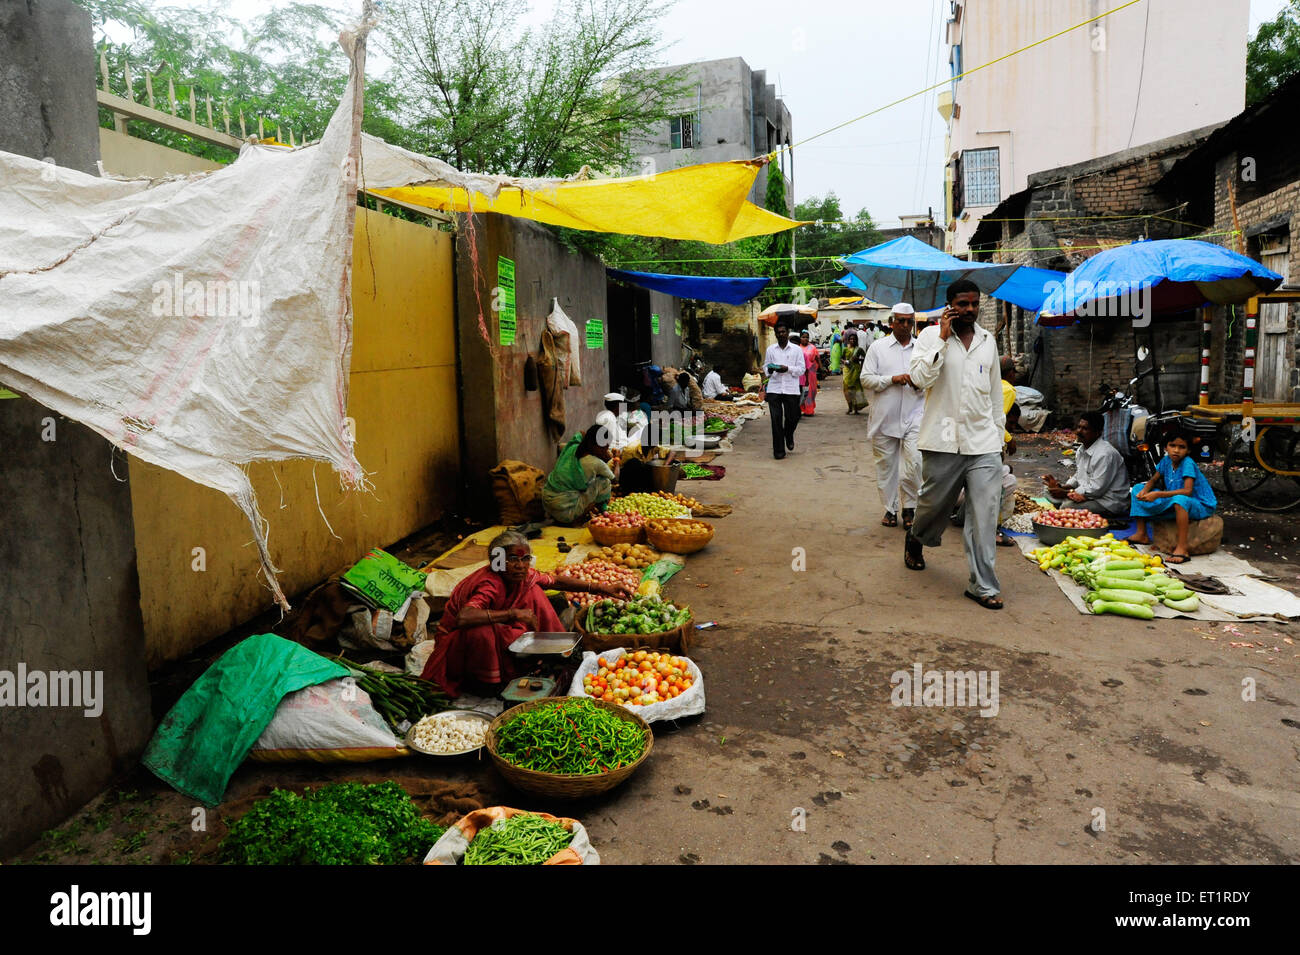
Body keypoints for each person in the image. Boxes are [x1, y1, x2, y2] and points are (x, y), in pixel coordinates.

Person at [420, 530, 628, 697]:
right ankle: (488, 684)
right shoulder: (489, 583)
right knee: (482, 632)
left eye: (525, 559)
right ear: (498, 562)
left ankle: (549, 654)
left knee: (534, 590)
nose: (520, 566)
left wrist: (600, 588)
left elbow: (556, 581)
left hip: (502, 627)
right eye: (512, 559)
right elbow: (464, 617)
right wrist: (514, 614)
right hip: (460, 643)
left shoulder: (525, 575)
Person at [905, 278, 1007, 610]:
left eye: (975, 304)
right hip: (942, 441)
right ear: (949, 305)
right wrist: (943, 340)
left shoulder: (988, 340)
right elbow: (920, 380)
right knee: (933, 505)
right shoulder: (930, 337)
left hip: (983, 444)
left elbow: (994, 394)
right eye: (963, 304)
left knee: (984, 515)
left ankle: (983, 585)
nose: (970, 310)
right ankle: (916, 536)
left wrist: (999, 435)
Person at [863, 303, 924, 528]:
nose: (906, 325)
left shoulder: (921, 348)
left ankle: (910, 508)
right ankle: (890, 508)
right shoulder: (877, 348)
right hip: (884, 417)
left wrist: (919, 384)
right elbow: (866, 379)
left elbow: (931, 379)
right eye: (901, 320)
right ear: (891, 322)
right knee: (886, 466)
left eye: (910, 321)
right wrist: (891, 379)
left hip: (915, 415)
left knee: (915, 463)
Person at [1127, 433, 1217, 564]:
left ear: (1188, 450)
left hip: (1199, 504)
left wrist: (1158, 495)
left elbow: (1187, 491)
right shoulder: (1165, 461)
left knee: (1180, 499)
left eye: (1181, 447)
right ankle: (1141, 534)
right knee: (1137, 488)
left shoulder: (1188, 463)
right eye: (1172, 446)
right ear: (1165, 448)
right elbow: (1153, 480)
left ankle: (1182, 548)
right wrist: (1145, 491)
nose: (1176, 450)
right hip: (1175, 498)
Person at [1043, 411, 1130, 520]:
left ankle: (1075, 509)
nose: (1079, 431)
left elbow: (1097, 489)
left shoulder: (1105, 454)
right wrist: (1062, 487)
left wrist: (1066, 493)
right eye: (1079, 427)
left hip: (1107, 502)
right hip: (1089, 495)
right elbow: (1079, 475)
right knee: (1047, 491)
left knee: (1067, 506)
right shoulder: (1081, 449)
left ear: (1097, 432)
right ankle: (1071, 507)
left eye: (1085, 429)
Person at [540, 424, 617, 525]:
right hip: (564, 511)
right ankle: (601, 513)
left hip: (547, 502)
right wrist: (617, 463)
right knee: (604, 482)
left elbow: (580, 433)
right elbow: (615, 479)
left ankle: (562, 515)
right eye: (604, 447)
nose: (606, 451)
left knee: (588, 481)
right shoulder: (595, 463)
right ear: (593, 445)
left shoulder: (574, 446)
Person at [763, 321, 805, 459]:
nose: (781, 334)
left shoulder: (796, 350)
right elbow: (766, 367)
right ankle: (779, 451)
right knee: (776, 420)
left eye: (783, 332)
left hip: (791, 388)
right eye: (778, 332)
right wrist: (770, 369)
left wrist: (787, 369)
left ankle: (788, 434)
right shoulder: (770, 349)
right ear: (775, 334)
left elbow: (801, 370)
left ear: (788, 332)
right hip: (774, 388)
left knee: (793, 417)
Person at [841, 330, 869, 414]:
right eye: (851, 339)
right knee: (847, 390)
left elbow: (867, 358)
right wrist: (845, 362)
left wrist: (859, 360)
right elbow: (841, 359)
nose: (852, 341)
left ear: (856, 340)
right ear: (848, 340)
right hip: (847, 371)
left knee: (855, 389)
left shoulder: (859, 349)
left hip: (856, 371)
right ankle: (850, 407)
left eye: (854, 339)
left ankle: (856, 409)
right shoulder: (845, 349)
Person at [798, 329, 820, 416]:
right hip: (801, 374)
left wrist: (821, 369)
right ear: (800, 338)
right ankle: (801, 408)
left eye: (807, 337)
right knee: (802, 392)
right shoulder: (797, 347)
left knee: (811, 392)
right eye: (803, 337)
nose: (805, 339)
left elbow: (817, 358)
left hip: (811, 373)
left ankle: (809, 410)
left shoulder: (812, 347)